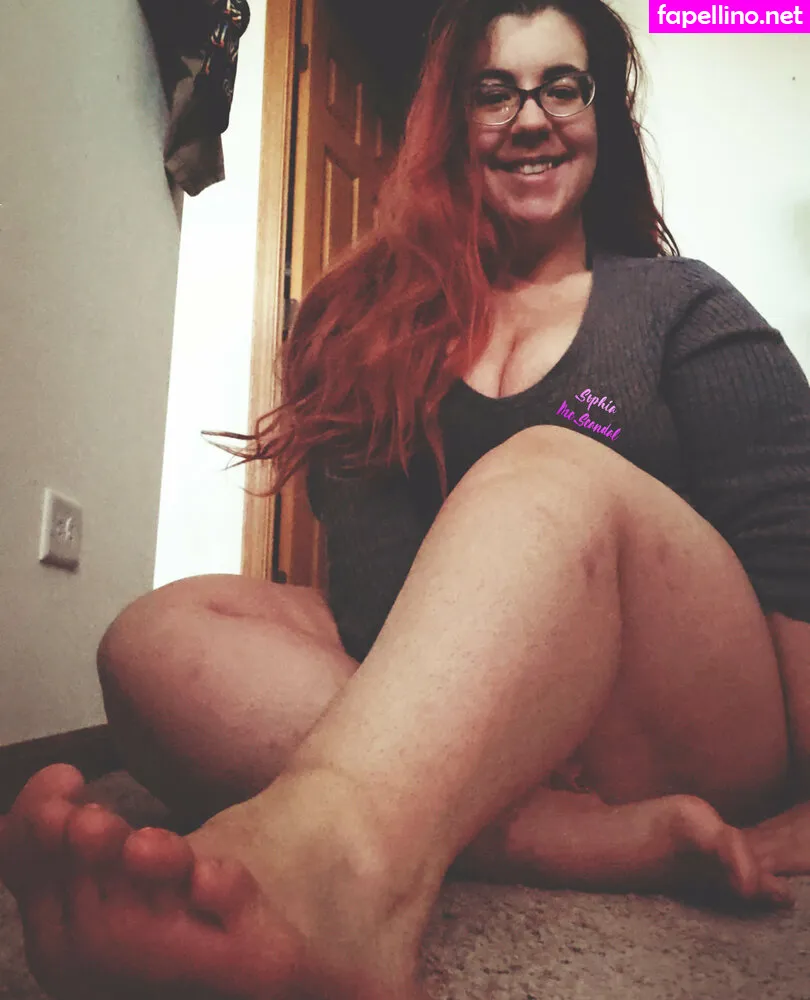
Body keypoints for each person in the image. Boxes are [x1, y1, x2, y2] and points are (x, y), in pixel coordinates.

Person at [3, 0, 810, 996]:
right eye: (494, 92)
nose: (531, 118)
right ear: (451, 124)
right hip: (483, 715)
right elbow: (376, 605)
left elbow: (793, 551)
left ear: (602, 112)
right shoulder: (374, 324)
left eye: (562, 87)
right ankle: (574, 840)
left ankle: (335, 878)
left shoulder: (684, 304)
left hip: (677, 712)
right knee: (156, 635)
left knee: (546, 468)